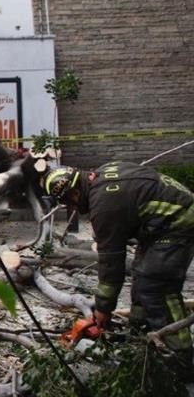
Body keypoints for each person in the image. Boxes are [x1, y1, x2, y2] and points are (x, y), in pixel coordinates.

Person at [42, 162, 194, 378]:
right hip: (159, 223)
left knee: (156, 286)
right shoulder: (104, 175)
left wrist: (104, 308)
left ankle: (181, 356)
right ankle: (141, 333)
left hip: (179, 221)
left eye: (70, 203)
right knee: (142, 274)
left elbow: (111, 265)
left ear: (74, 193)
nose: (74, 208)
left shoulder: (104, 206)